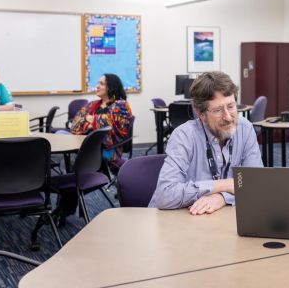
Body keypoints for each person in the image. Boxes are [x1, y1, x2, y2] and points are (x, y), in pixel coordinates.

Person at [149, 71, 263, 215]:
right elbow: (165, 196)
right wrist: (225, 185)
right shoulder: (184, 136)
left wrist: (222, 197)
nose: (228, 117)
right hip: (177, 220)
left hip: (220, 221)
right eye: (218, 110)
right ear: (201, 113)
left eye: (231, 106)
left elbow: (256, 185)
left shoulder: (245, 129)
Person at [71, 73, 132, 167]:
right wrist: (91, 125)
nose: (97, 86)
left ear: (111, 87)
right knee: (61, 132)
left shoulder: (121, 105)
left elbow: (109, 126)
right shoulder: (92, 104)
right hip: (87, 143)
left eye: (102, 84)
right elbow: (75, 123)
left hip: (109, 149)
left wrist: (90, 120)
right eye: (98, 83)